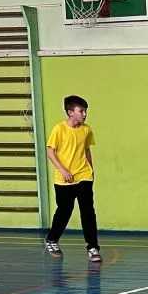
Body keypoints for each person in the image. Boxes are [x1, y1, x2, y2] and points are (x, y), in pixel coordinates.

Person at [44, 94, 101, 262]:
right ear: (70, 112)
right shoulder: (59, 129)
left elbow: (86, 150)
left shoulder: (86, 130)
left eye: (85, 111)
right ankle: (52, 239)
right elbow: (50, 152)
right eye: (81, 111)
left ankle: (92, 248)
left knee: (88, 212)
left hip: (83, 175)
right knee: (64, 211)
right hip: (64, 179)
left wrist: (91, 170)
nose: (84, 114)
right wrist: (63, 170)